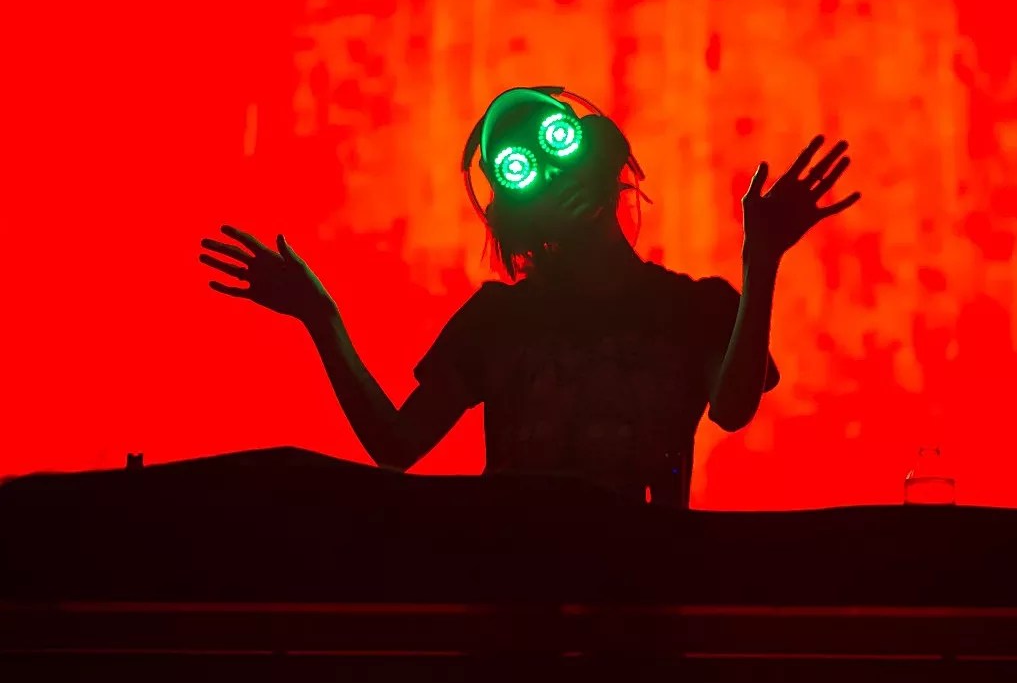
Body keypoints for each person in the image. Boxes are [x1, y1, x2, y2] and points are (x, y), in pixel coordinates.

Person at [199, 88, 859, 506]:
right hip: (513, 610)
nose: (547, 170)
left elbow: (733, 407)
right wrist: (321, 318)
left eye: (557, 143)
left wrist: (761, 261)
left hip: (644, 609)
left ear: (601, 156)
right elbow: (397, 444)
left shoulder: (693, 307)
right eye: (519, 167)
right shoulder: (498, 319)